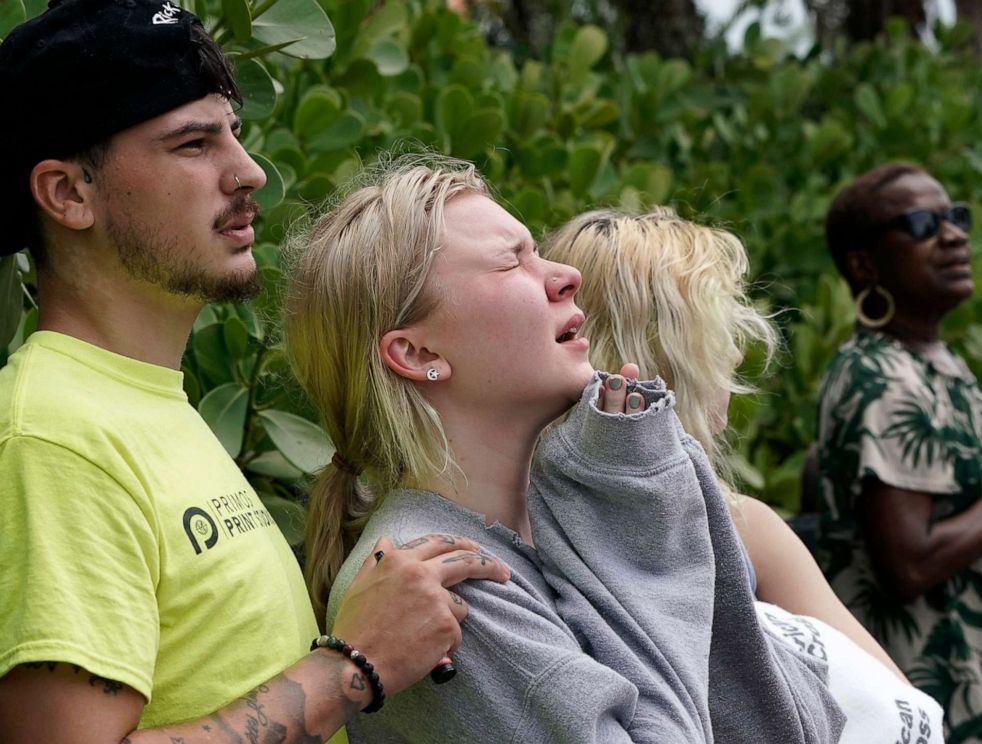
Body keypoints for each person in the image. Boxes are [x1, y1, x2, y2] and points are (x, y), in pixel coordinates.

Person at [0, 2, 509, 742]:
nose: (247, 171)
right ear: (69, 194)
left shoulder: (144, 405)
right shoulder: (52, 436)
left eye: (233, 133)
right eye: (193, 143)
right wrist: (352, 666)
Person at [284, 155, 848, 743]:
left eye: (538, 251)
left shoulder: (551, 527)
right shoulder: (444, 586)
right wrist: (644, 523)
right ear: (419, 354)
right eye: (512, 262)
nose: (565, 276)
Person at [540, 206, 903, 677]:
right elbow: (902, 707)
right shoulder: (742, 529)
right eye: (715, 335)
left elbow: (902, 709)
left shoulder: (518, 518)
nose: (734, 355)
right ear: (662, 355)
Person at [816, 163, 982, 739]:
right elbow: (907, 564)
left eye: (955, 217)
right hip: (933, 689)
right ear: (865, 265)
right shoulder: (880, 377)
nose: (953, 235)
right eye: (921, 223)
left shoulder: (937, 366)